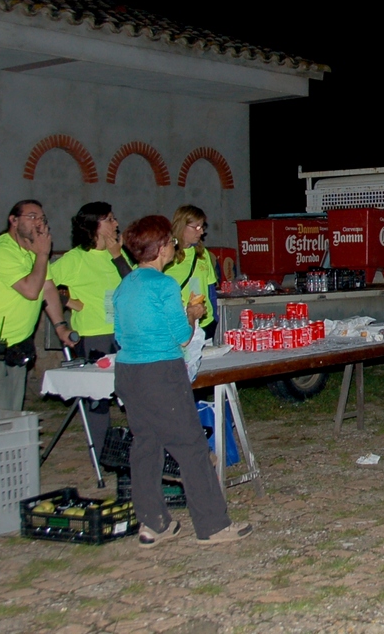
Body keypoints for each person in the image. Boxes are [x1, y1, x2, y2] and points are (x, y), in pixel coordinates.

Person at [114, 215, 252, 547]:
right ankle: (213, 525)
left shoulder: (125, 285)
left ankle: (153, 523)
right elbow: (181, 336)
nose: (173, 247)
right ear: (161, 247)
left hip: (129, 372)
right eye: (171, 242)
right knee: (191, 447)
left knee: (145, 446)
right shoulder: (163, 285)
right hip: (160, 371)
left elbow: (119, 334)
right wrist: (191, 316)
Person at [0, 200, 74, 410]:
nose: (38, 223)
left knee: (13, 414)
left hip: (17, 345)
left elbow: (47, 288)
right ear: (13, 220)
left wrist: (60, 327)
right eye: (32, 217)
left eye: (42, 218)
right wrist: (43, 254)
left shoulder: (32, 251)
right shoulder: (1, 252)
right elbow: (31, 291)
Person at [50, 202, 132, 448]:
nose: (116, 223)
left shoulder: (117, 254)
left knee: (133, 391)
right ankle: (101, 453)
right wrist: (69, 302)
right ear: (94, 225)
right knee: (97, 398)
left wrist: (118, 256)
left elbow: (134, 284)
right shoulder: (75, 259)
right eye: (110, 219)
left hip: (124, 334)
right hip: (93, 335)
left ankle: (135, 449)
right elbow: (43, 285)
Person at [163, 205, 218, 338]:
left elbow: (210, 290)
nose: (201, 232)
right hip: (180, 324)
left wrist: (215, 318)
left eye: (202, 227)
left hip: (206, 322)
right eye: (196, 227)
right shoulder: (166, 255)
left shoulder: (202, 253)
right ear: (182, 226)